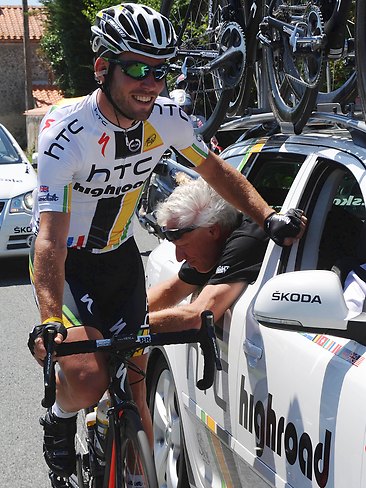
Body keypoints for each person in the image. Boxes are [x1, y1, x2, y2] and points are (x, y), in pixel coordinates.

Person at [27, 3, 306, 485]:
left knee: (136, 385)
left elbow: (216, 171)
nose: (150, 83)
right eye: (137, 68)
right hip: (67, 263)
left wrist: (268, 215)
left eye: (161, 70)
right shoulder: (64, 133)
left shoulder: (168, 119)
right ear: (102, 69)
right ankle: (60, 419)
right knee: (89, 375)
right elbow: (49, 238)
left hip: (118, 260)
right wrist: (50, 317)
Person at [148, 176, 270, 331]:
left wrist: (128, 326)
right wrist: (114, 319)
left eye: (184, 245)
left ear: (213, 230)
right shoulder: (209, 246)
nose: (179, 257)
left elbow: (198, 318)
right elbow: (172, 291)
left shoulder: (248, 241)